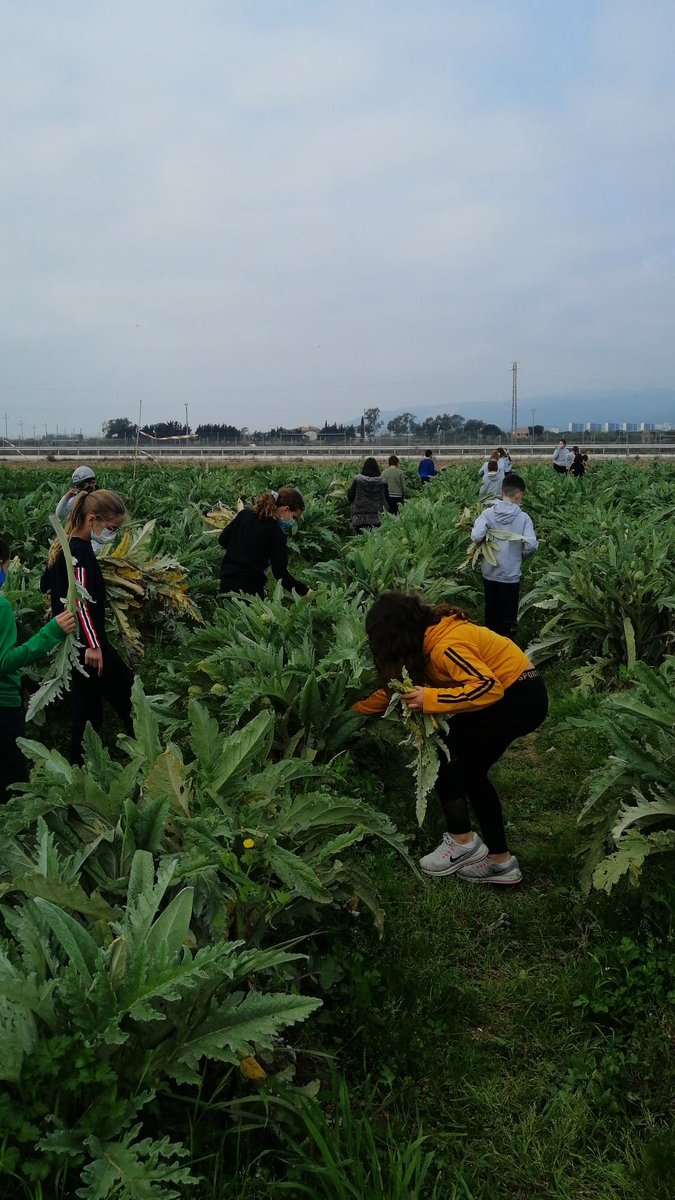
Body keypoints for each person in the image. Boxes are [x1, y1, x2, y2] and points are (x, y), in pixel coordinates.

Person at [353, 591, 548, 885]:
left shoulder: (445, 645)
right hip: (513, 694)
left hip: (519, 696)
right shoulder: (423, 643)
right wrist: (349, 715)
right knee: (467, 767)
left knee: (449, 755)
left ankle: (463, 841)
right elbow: (393, 690)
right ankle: (500, 862)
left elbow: (488, 686)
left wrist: (431, 698)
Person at [43, 489, 133, 763]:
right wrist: (94, 645)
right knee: (131, 697)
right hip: (88, 645)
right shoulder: (79, 554)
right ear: (92, 519)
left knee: (87, 709)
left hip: (75, 644)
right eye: (111, 528)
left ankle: (79, 767)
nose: (112, 534)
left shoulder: (64, 545)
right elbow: (79, 602)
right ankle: (148, 756)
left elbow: (44, 585)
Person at [0, 536, 76, 801]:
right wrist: (51, 632)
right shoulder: (1, 606)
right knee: (11, 779)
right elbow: (5, 662)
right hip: (3, 706)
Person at [470, 473, 537, 641]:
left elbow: (476, 536)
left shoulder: (487, 514)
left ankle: (490, 647)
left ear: (502, 492)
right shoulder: (523, 518)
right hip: (510, 575)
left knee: (492, 612)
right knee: (508, 616)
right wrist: (522, 557)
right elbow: (531, 545)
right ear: (518, 495)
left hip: (490, 572)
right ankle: (508, 648)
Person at [219, 487, 310, 599]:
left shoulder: (244, 514)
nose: (293, 522)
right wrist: (306, 591)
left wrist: (238, 549)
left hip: (225, 584)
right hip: (249, 591)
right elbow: (280, 574)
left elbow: (222, 540)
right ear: (285, 509)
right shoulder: (276, 533)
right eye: (294, 517)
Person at [55, 466, 118, 556]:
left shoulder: (103, 499)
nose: (79, 489)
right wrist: (67, 497)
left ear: (93, 483)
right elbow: (60, 515)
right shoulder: (75, 500)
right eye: (77, 486)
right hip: (81, 546)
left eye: (82, 486)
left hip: (99, 548)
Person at [347, 458, 389, 530]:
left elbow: (350, 496)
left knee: (360, 540)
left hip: (360, 518)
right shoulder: (383, 481)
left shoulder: (358, 480)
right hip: (378, 517)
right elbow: (387, 497)